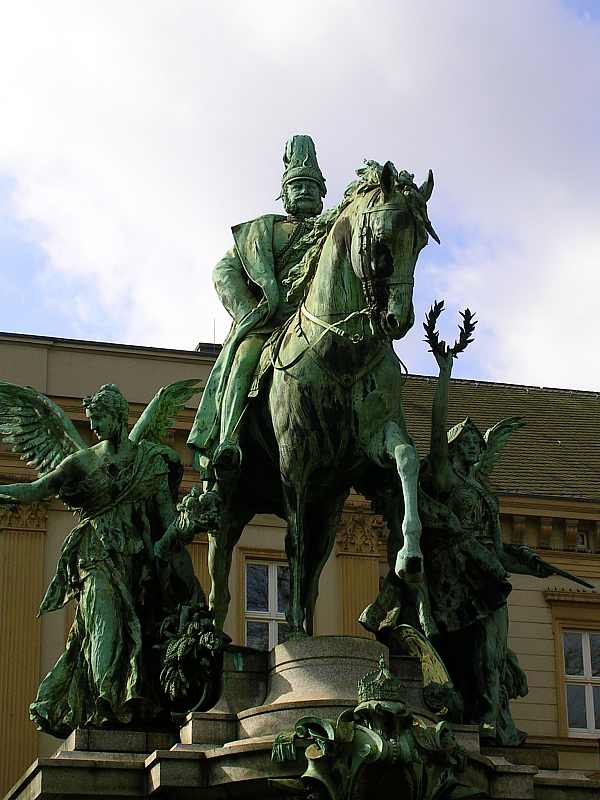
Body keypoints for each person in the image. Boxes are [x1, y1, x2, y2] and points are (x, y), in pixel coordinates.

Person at [0, 382, 206, 736]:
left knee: (140, 634)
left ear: (118, 417)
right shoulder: (81, 461)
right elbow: (36, 490)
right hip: (95, 556)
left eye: (99, 420)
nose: (93, 428)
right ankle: (106, 707)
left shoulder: (149, 461)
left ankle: (135, 704)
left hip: (139, 564)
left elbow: (168, 523)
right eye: (91, 421)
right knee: (105, 629)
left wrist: (190, 523)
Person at [187, 134, 326, 479]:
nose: (305, 191)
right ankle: (229, 437)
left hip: (318, 324)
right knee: (246, 358)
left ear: (323, 194)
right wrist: (250, 308)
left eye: (312, 186)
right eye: (298, 186)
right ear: (285, 194)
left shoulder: (334, 231)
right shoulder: (263, 231)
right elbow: (224, 271)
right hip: (268, 323)